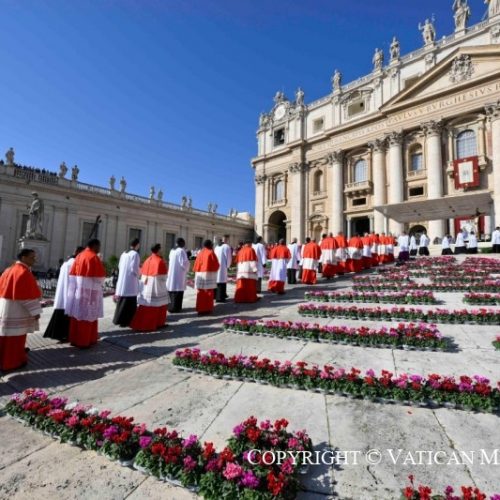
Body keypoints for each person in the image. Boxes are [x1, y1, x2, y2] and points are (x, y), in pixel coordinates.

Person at [0, 249, 42, 371]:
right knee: (15, 339)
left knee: (5, 337)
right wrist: (36, 312)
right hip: (17, 311)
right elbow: (26, 296)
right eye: (32, 257)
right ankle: (11, 363)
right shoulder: (23, 272)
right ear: (23, 257)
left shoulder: (9, 269)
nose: (34, 260)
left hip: (6, 308)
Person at [65, 239, 106, 348]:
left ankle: (74, 339)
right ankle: (84, 341)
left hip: (79, 291)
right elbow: (100, 278)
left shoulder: (79, 255)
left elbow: (73, 275)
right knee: (87, 316)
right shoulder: (93, 257)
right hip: (90, 293)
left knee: (77, 315)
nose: (99, 248)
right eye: (99, 246)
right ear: (95, 245)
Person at [44, 246, 84, 342]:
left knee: (61, 312)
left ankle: (58, 335)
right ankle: (65, 335)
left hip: (62, 293)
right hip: (70, 293)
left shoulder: (66, 263)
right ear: (77, 252)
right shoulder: (75, 263)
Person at [130, 244, 169, 332]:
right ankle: (156, 324)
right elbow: (164, 277)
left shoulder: (147, 259)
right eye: (161, 249)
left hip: (146, 285)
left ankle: (140, 324)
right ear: (158, 250)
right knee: (157, 304)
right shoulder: (159, 261)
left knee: (145, 305)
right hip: (156, 285)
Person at [113, 238, 141, 328]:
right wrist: (139, 274)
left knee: (122, 301)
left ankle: (119, 319)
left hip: (122, 280)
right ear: (137, 245)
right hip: (130, 281)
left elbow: (119, 266)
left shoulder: (124, 253)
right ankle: (128, 321)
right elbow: (134, 268)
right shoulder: (135, 254)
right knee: (129, 302)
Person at [192, 240, 220, 314]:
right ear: (210, 245)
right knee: (208, 292)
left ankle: (200, 309)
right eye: (212, 244)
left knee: (200, 292)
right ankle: (207, 309)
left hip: (200, 274)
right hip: (208, 274)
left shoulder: (200, 252)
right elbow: (216, 264)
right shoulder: (211, 252)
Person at [166, 238, 189, 313]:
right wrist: (187, 266)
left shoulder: (172, 250)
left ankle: (170, 307)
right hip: (179, 274)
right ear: (181, 243)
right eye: (184, 243)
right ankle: (176, 308)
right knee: (178, 291)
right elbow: (184, 263)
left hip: (172, 273)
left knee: (172, 290)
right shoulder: (181, 251)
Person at [214, 238, 232, 303]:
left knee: (217, 281)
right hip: (222, 267)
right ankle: (220, 298)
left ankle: (217, 296)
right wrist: (228, 265)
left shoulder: (216, 247)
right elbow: (229, 257)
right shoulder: (226, 247)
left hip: (216, 266)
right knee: (222, 281)